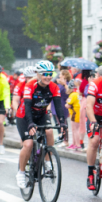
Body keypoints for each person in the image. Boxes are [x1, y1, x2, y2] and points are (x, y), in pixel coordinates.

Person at [15, 61, 66, 189]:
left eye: (50, 74)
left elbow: (58, 107)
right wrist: (30, 123)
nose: (48, 76)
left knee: (49, 132)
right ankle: (21, 173)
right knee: (28, 144)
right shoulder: (30, 85)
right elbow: (27, 106)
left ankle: (47, 162)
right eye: (45, 74)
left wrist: (62, 123)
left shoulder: (54, 87)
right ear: (38, 74)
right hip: (24, 116)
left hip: (41, 114)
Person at [66, 81, 83, 150]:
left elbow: (68, 105)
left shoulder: (72, 94)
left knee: (75, 129)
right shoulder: (78, 94)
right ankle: (74, 143)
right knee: (75, 129)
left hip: (74, 113)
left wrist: (66, 104)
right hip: (79, 113)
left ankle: (77, 144)